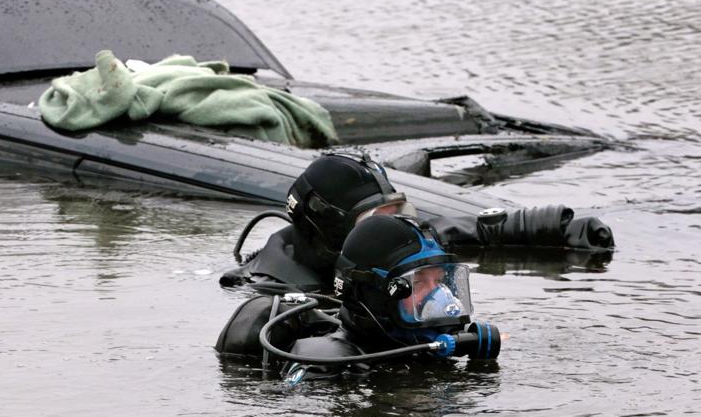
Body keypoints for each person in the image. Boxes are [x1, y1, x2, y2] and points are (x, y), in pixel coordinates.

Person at [219, 153, 614, 290]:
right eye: (380, 221)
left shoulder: (387, 243)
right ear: (334, 230)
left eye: (401, 216)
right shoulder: (270, 290)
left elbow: (471, 229)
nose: (401, 232)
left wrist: (557, 227)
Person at [216, 215, 502, 380]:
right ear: (374, 295)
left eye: (440, 280)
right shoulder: (330, 365)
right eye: (418, 283)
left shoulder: (423, 343)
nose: (439, 294)